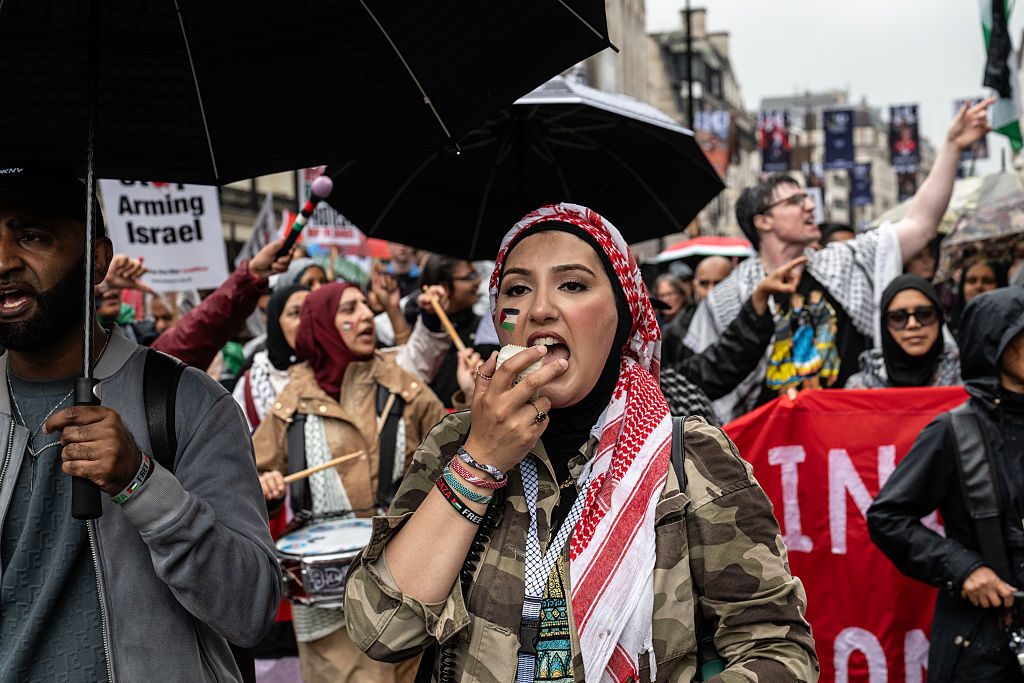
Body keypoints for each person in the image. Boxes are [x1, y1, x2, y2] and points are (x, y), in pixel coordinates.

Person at [344, 203, 818, 681]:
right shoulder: (453, 444)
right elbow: (382, 630)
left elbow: (777, 648)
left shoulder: (689, 458)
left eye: (572, 284)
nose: (541, 309)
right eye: (517, 290)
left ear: (621, 314)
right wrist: (481, 459)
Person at [0, 163, 280, 681]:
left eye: (32, 236)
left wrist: (142, 484)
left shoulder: (190, 405)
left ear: (98, 258)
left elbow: (251, 609)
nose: (3, 260)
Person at [685, 98, 994, 420]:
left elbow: (921, 224)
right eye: (794, 201)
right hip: (771, 449)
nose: (809, 207)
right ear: (763, 221)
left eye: (806, 198)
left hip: (850, 432)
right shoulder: (728, 297)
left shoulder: (845, 262)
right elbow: (705, 387)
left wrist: (952, 147)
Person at [253, 282, 448, 683]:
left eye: (364, 305)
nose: (364, 316)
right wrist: (266, 487)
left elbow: (460, 454)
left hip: (403, 587)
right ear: (322, 325)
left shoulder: (405, 391)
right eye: (348, 310)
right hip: (329, 604)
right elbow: (250, 477)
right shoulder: (292, 403)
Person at [867, 287, 1024, 681]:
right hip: (984, 641)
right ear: (993, 343)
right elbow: (888, 517)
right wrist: (963, 568)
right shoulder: (956, 430)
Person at [408, 254, 497, 408]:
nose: (477, 281)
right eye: (469, 276)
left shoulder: (486, 331)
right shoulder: (422, 331)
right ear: (444, 286)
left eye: (476, 274)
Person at [845, 274, 960, 389]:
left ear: (939, 318)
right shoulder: (860, 388)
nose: (912, 324)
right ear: (885, 326)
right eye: (898, 318)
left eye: (925, 314)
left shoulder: (967, 378)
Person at [233, 284, 310, 431]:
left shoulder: (337, 372)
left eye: (310, 312)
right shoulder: (252, 382)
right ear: (276, 322)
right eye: (295, 313)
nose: (304, 321)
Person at [950, 258, 1009, 336]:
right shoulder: (948, 331)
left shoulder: (1012, 329)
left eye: (987, 281)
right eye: (972, 281)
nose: (979, 286)